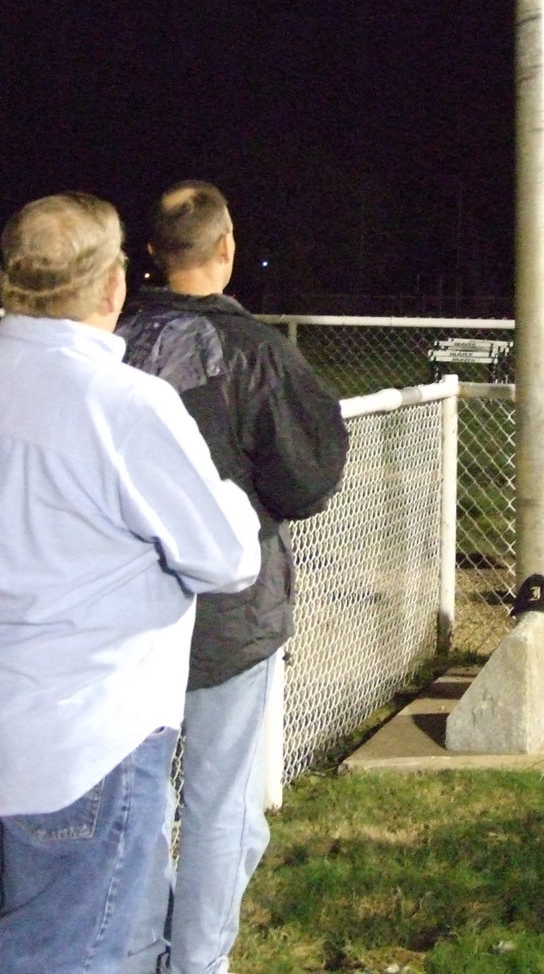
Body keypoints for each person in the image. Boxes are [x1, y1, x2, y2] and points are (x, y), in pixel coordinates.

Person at [0, 193, 261, 974]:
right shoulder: (123, 404)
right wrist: (234, 501)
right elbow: (225, 557)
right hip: (85, 747)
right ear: (112, 287)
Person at [118, 181, 349, 974]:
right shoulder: (256, 353)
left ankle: (145, 948)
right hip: (228, 617)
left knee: (146, 805)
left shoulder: (109, 341)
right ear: (225, 248)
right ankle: (195, 963)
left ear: (151, 254)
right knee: (218, 808)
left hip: (125, 619)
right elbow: (307, 480)